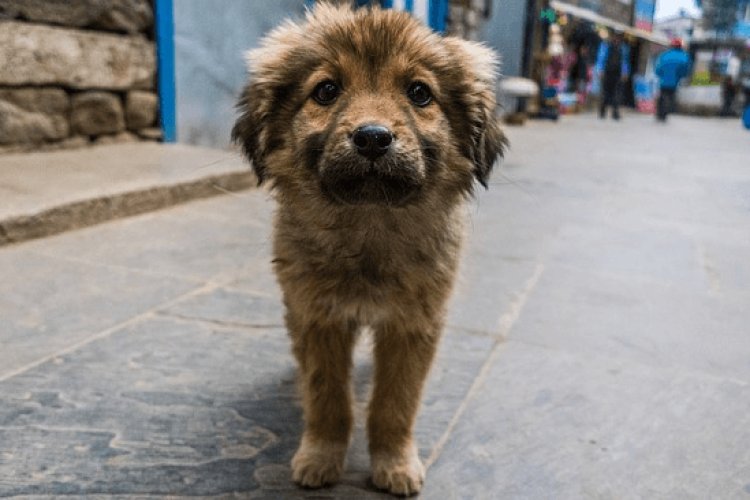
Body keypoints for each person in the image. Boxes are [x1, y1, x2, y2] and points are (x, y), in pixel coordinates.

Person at [595, 31, 630, 120]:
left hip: (618, 73)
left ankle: (615, 113)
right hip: (607, 72)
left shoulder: (623, 48)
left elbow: (625, 61)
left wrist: (625, 72)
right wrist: (600, 70)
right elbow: (601, 58)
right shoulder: (606, 45)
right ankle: (602, 112)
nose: (617, 38)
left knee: (617, 94)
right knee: (605, 92)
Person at [655, 38, 691, 122]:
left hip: (663, 82)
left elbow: (658, 69)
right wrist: (680, 76)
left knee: (662, 96)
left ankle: (660, 114)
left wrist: (661, 75)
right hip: (675, 82)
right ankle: (665, 113)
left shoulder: (665, 55)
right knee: (670, 97)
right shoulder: (684, 56)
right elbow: (685, 70)